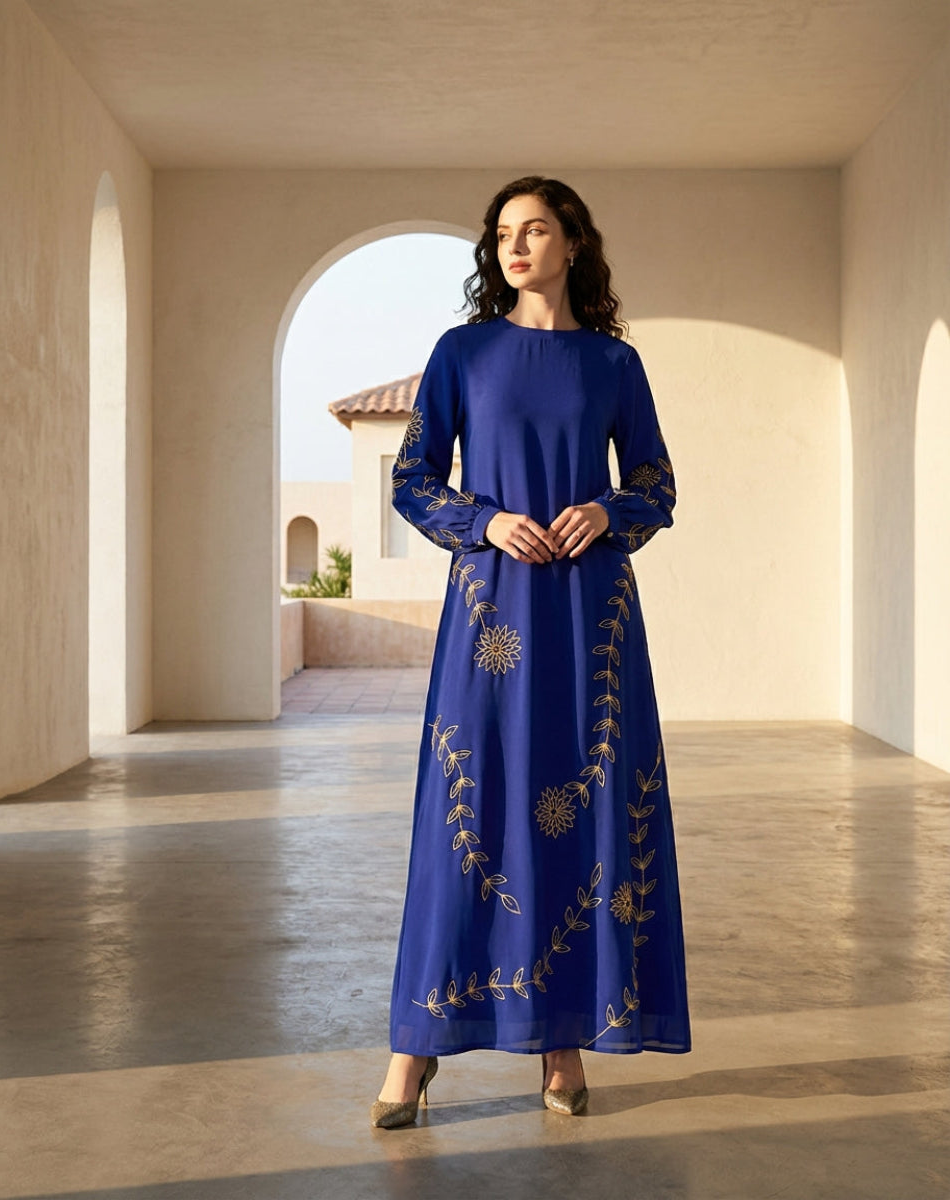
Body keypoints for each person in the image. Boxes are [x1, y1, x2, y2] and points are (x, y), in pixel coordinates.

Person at [371, 176, 691, 1129]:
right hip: (493, 607)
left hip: (591, 615)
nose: (515, 246)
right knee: (470, 813)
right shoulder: (461, 352)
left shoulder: (610, 364)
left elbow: (657, 481)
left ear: (572, 242)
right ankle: (414, 1050)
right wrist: (486, 519)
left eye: (535, 229)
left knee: (580, 807)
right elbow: (414, 475)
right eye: (503, 233)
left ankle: (561, 1043)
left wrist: (609, 509)